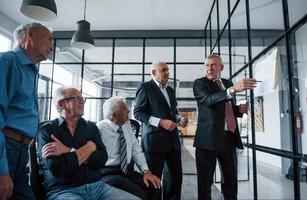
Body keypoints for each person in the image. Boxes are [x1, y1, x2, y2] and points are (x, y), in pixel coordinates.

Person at [37, 86, 140, 200]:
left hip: (98, 187)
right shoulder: (47, 131)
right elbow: (58, 169)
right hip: (63, 191)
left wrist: (67, 151)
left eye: (83, 98)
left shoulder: (91, 127)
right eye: (77, 98)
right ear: (62, 104)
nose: (83, 102)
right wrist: (89, 148)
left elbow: (101, 159)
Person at [0, 22, 53, 200]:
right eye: (49, 39)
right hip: (6, 149)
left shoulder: (31, 70)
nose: (51, 47)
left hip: (21, 151)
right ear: (30, 34)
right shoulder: (7, 62)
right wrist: (2, 170)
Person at [193, 54, 257, 200]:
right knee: (205, 183)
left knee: (230, 180)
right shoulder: (199, 83)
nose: (210, 68)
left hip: (229, 138)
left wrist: (238, 110)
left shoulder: (227, 83)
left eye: (214, 65)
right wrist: (232, 90)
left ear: (221, 67)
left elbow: (225, 108)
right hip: (207, 141)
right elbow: (208, 101)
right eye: (207, 65)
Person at [133, 61, 188, 200]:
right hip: (154, 142)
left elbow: (172, 112)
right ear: (153, 73)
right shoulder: (145, 88)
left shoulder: (170, 90)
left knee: (175, 179)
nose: (167, 73)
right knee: (154, 181)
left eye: (168, 70)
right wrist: (160, 122)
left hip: (172, 141)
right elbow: (138, 113)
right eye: (163, 70)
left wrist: (178, 118)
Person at [96, 97, 161, 200]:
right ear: (113, 116)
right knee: (140, 194)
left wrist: (146, 171)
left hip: (127, 171)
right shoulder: (99, 129)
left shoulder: (126, 125)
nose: (128, 110)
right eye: (124, 108)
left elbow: (136, 150)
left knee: (155, 186)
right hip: (108, 172)